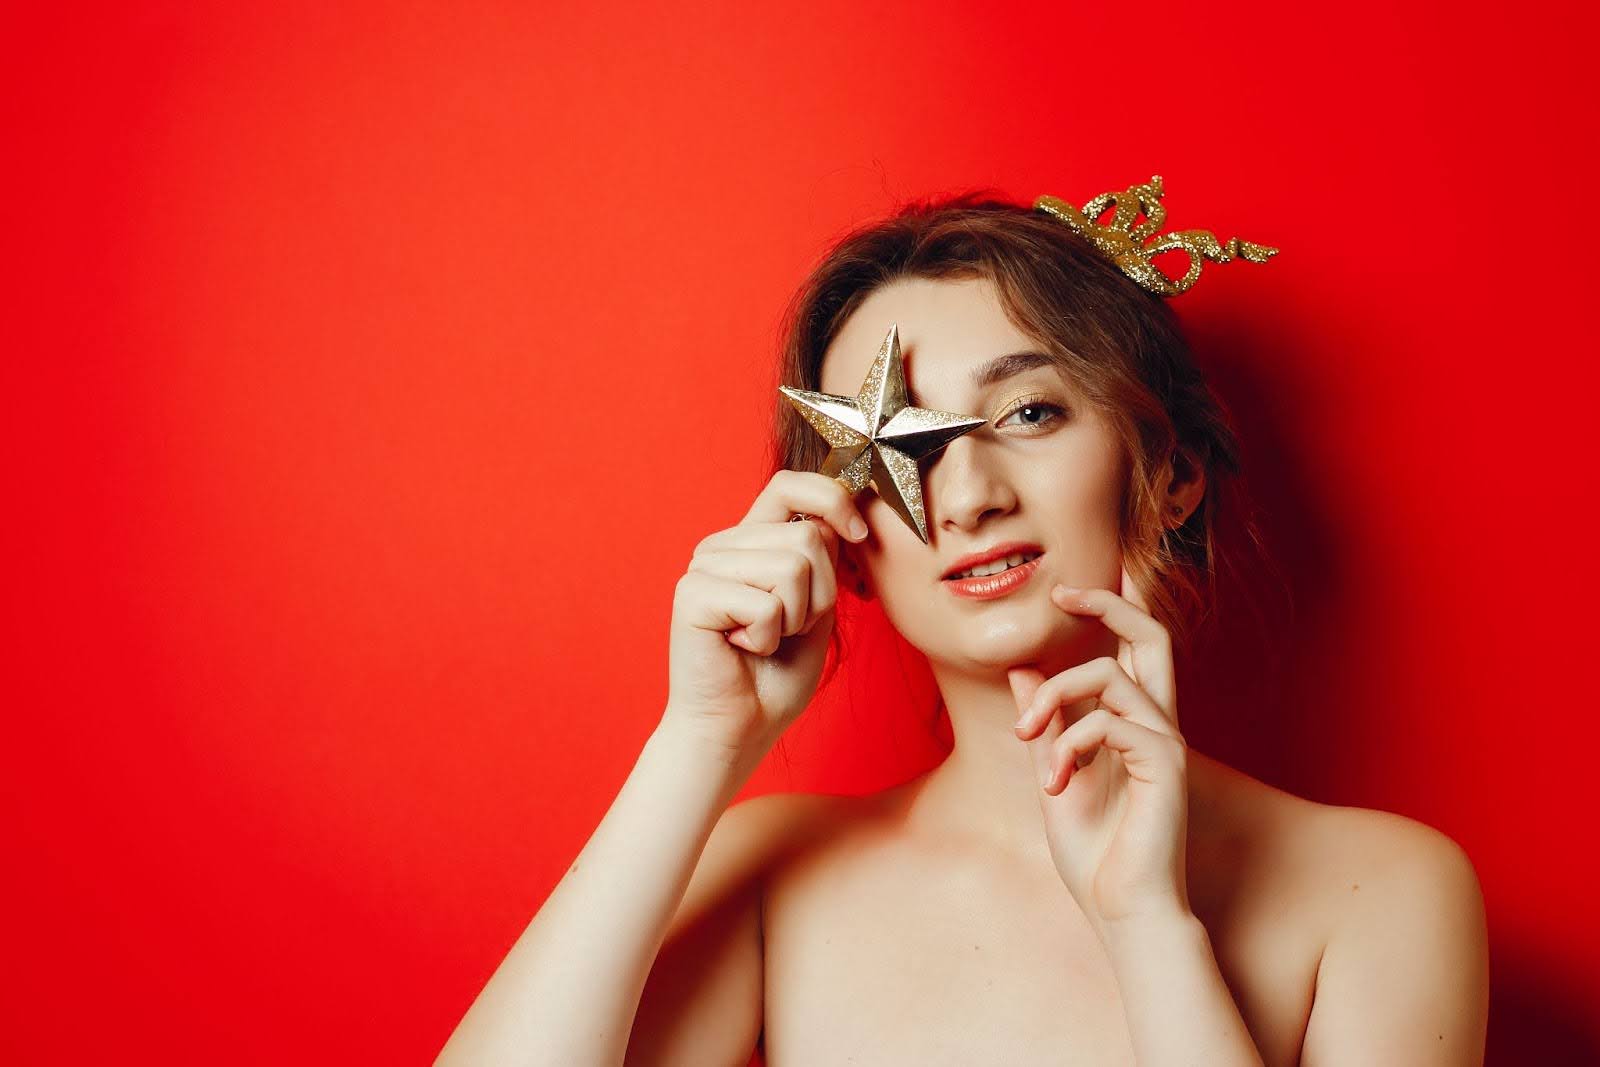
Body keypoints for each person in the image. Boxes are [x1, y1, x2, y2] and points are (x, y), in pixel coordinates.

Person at [435, 191, 1490, 1066]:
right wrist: (700, 740)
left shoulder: (1377, 890)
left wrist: (1146, 926)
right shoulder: (776, 874)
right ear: (842, 531)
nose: (968, 494)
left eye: (1028, 412)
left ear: (1168, 474)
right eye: (899, 446)